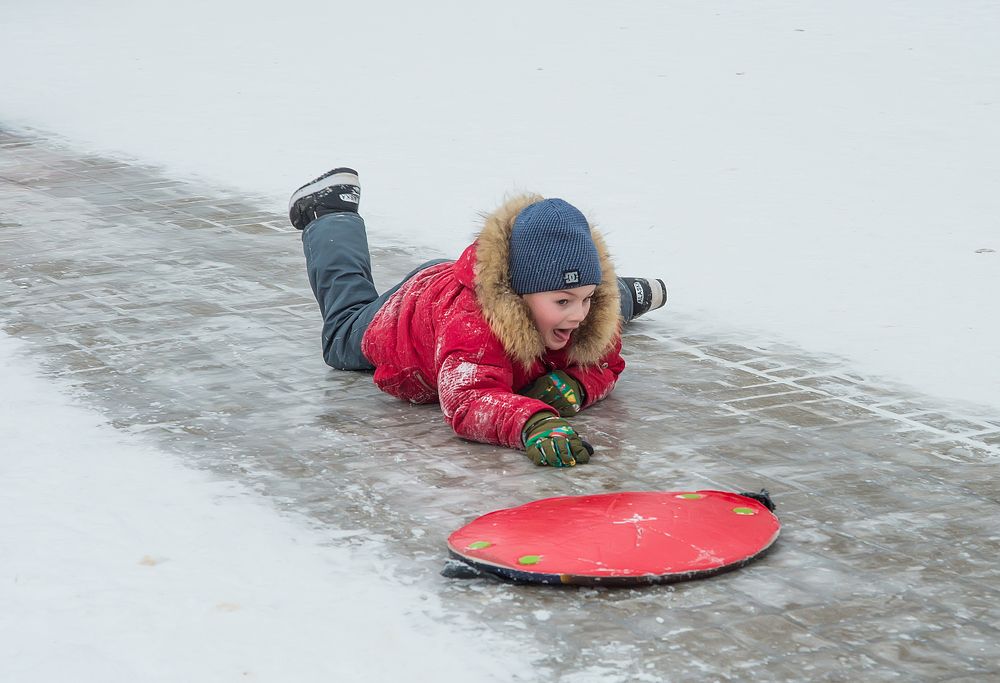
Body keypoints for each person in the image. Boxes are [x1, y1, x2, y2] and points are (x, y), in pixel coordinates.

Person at [290, 167, 667, 467]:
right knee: (341, 336)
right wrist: (532, 422)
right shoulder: (473, 326)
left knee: (581, 319)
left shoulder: (577, 308)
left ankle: (625, 293)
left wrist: (580, 385)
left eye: (588, 297)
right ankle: (331, 211)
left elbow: (606, 359)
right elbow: (467, 399)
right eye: (564, 301)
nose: (581, 314)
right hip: (411, 309)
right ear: (517, 295)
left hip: (470, 281)